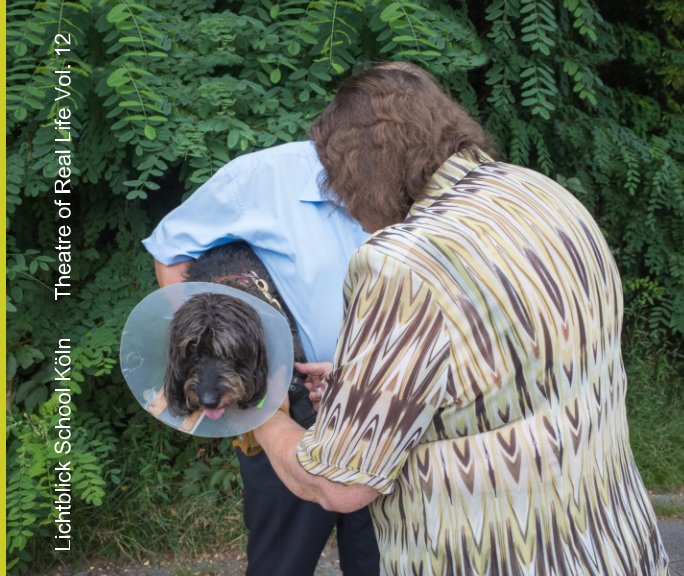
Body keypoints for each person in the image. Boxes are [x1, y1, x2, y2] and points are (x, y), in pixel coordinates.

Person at [252, 62, 670, 575]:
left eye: (335, 178)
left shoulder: (400, 262)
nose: (339, 200)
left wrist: (265, 416)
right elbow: (513, 363)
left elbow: (341, 484)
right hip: (613, 547)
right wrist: (364, 384)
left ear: (362, 170)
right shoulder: (539, 192)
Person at [142, 140, 380, 576]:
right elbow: (172, 253)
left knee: (380, 560)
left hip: (391, 401)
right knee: (281, 564)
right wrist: (226, 352)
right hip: (287, 398)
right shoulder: (257, 178)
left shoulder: (427, 183)